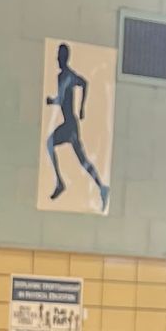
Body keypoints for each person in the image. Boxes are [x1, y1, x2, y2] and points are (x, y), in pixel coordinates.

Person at [46, 42, 109, 209]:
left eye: (59, 56)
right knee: (81, 160)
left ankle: (62, 182)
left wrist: (82, 107)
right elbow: (64, 97)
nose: (57, 59)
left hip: (70, 125)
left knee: (52, 144)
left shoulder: (67, 76)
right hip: (69, 123)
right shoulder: (64, 76)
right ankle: (100, 186)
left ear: (64, 58)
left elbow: (84, 83)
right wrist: (54, 101)